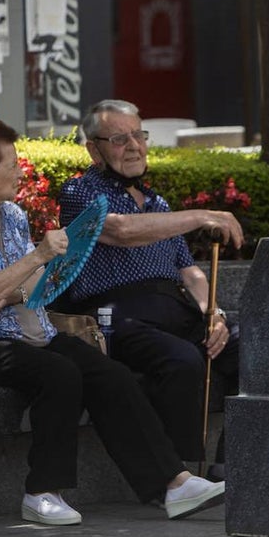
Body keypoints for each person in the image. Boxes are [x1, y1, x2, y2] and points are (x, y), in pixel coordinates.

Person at [0, 118, 226, 526]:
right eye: (11, 164)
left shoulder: (10, 215)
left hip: (23, 328)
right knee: (59, 373)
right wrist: (37, 259)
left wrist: (27, 279)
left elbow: (18, 289)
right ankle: (42, 491)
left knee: (108, 373)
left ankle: (173, 483)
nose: (19, 171)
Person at [57, 99, 245, 481]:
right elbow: (122, 232)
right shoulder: (78, 192)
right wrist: (201, 216)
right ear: (94, 149)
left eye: (139, 135)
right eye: (119, 138)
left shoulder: (157, 202)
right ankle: (180, 473)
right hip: (117, 315)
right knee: (182, 359)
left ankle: (233, 460)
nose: (134, 146)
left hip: (175, 307)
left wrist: (215, 314)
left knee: (254, 349)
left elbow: (189, 272)